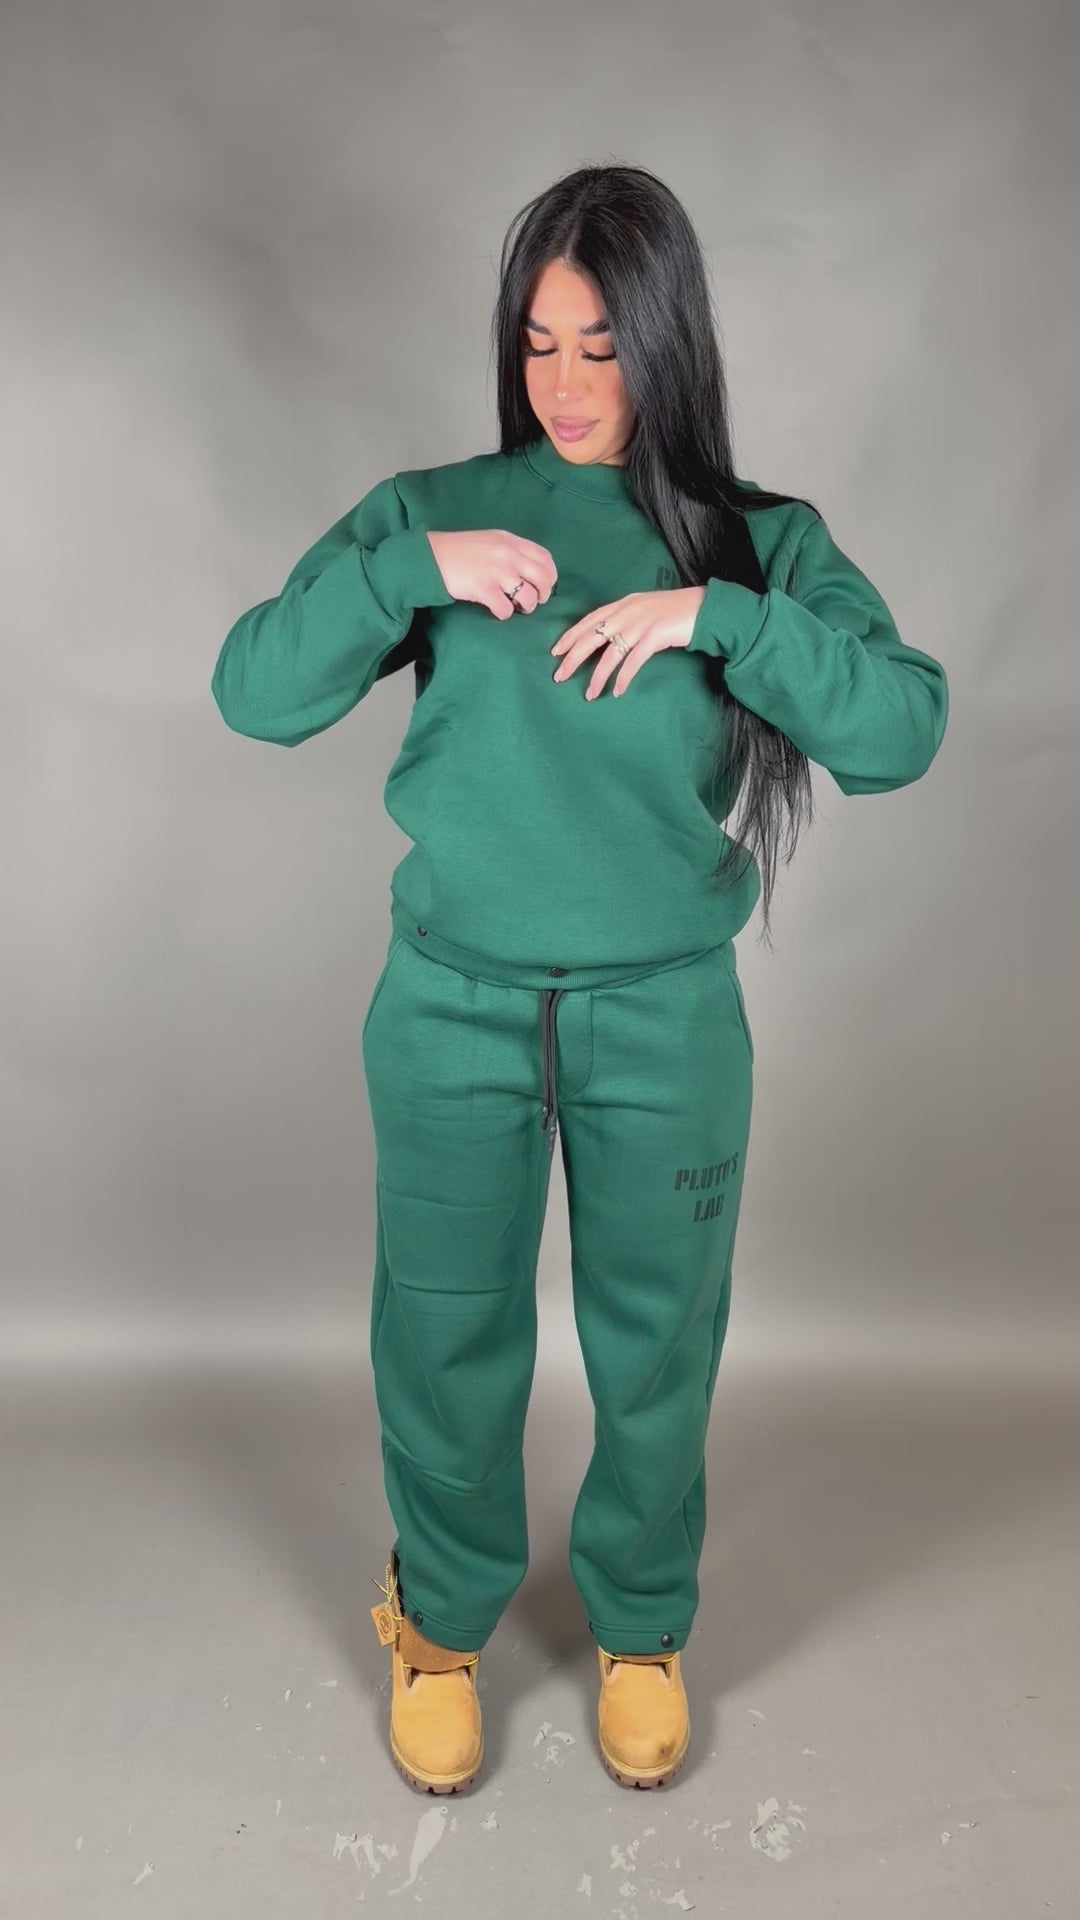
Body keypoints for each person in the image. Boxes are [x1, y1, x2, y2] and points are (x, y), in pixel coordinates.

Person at [210, 162, 949, 1796]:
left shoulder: (758, 541)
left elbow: (903, 726)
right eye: (539, 343)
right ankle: (439, 1625)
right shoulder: (435, 510)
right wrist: (410, 571)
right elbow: (252, 692)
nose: (565, 383)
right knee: (444, 1335)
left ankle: (642, 1624)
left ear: (668, 342)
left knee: (657, 1344)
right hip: (450, 1009)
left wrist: (717, 618)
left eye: (603, 347)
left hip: (663, 1016)